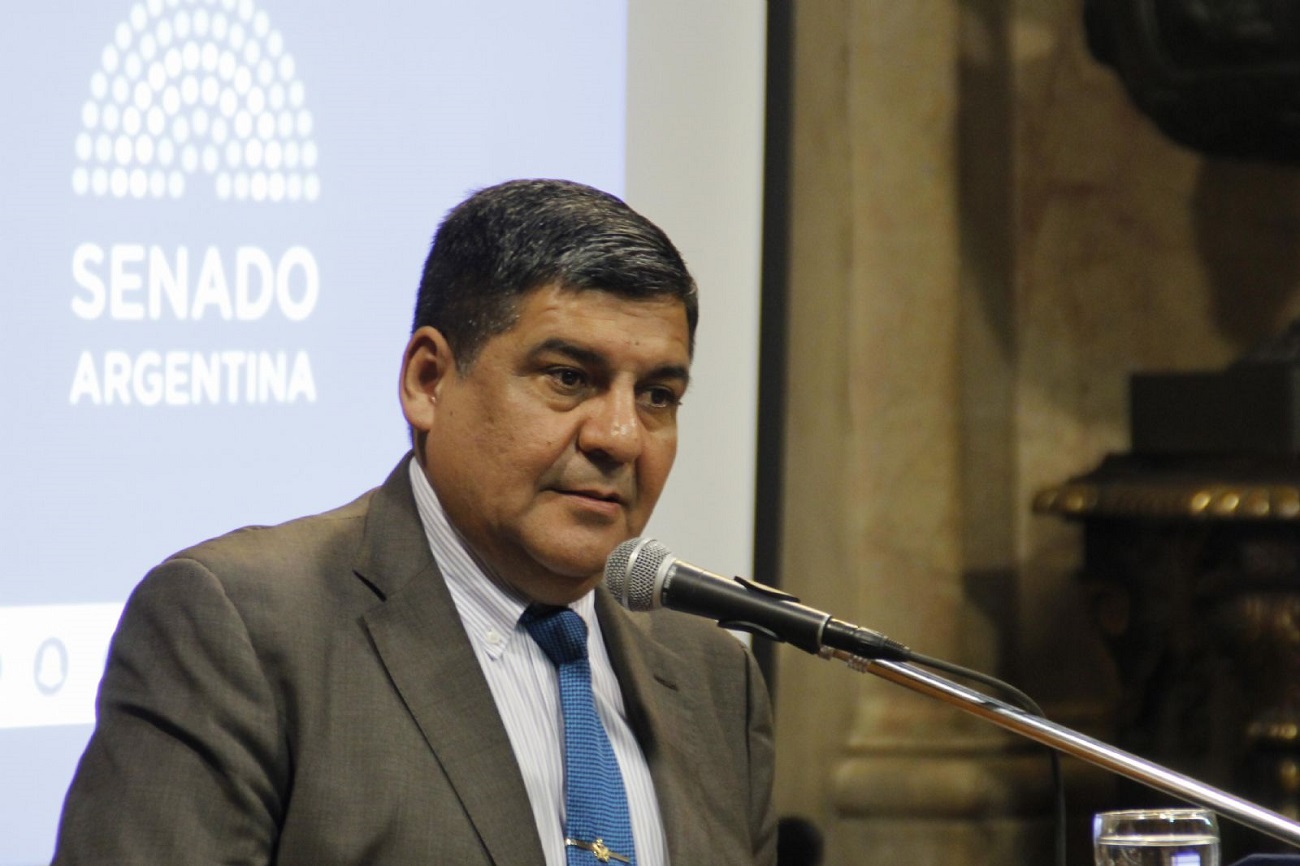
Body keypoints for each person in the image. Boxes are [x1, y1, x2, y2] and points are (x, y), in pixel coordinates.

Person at [52, 178, 778, 865]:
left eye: (657, 396)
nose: (620, 437)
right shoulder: (241, 630)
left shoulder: (714, 678)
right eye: (568, 378)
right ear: (428, 380)